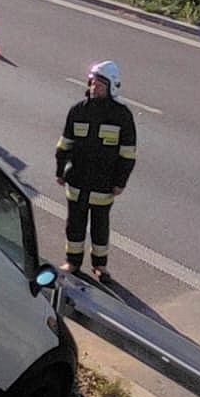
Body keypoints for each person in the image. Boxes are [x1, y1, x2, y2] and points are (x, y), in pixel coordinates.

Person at [54, 60, 137, 282]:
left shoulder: (122, 116)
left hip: (104, 183)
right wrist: (60, 170)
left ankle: (100, 266)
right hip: (78, 180)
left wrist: (120, 182)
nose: (94, 88)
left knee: (100, 226)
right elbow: (65, 144)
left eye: (100, 84)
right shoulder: (78, 111)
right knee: (75, 225)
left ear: (112, 87)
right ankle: (72, 262)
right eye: (93, 83)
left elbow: (128, 154)